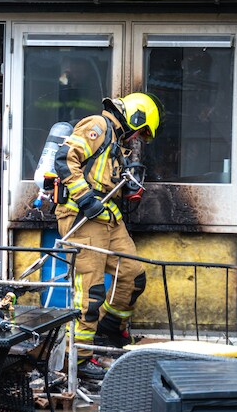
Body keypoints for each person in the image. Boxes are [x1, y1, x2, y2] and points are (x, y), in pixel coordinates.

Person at [53, 92, 159, 381]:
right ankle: (77, 358)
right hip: (82, 217)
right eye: (139, 131)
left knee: (133, 275)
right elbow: (65, 160)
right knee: (90, 291)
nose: (136, 138)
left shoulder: (116, 143)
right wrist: (85, 198)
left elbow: (105, 179)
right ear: (135, 117)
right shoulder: (97, 126)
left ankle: (109, 328)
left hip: (107, 217)